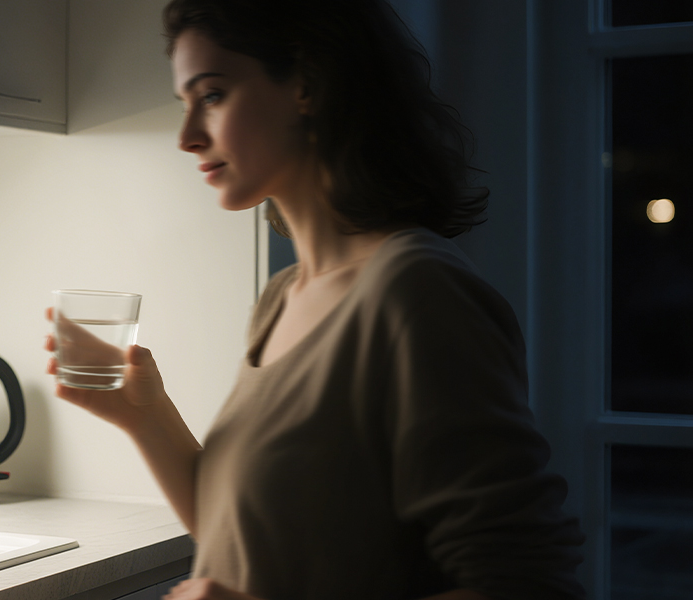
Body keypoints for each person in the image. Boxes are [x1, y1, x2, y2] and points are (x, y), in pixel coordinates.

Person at [44, 1, 585, 599]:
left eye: (214, 95)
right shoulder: (282, 298)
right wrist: (144, 417)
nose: (188, 137)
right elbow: (253, 539)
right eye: (185, 104)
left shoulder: (416, 293)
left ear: (306, 83)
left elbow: (529, 584)